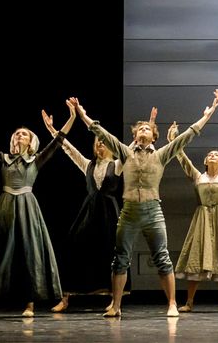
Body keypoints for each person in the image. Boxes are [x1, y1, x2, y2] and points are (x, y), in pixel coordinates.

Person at [76, 95, 218, 317]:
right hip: (129, 211)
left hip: (153, 210)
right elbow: (100, 132)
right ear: (134, 135)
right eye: (140, 128)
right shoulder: (125, 151)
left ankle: (172, 303)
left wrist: (207, 116)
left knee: (162, 257)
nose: (143, 129)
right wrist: (83, 114)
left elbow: (187, 136)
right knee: (121, 258)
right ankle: (116, 306)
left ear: (153, 135)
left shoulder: (161, 155)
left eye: (147, 128)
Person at [0, 99, 73, 318]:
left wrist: (72, 117)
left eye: (24, 134)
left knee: (28, 254)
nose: (18, 136)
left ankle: (29, 304)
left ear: (31, 141)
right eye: (16, 134)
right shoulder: (2, 159)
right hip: (4, 208)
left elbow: (58, 141)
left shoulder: (36, 161)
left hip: (27, 209)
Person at [41, 109, 125, 312]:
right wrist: (53, 130)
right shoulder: (87, 164)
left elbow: (130, 150)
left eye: (103, 141)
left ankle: (115, 300)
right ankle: (65, 297)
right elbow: (69, 149)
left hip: (109, 213)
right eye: (97, 141)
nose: (100, 144)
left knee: (111, 252)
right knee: (72, 248)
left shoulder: (118, 164)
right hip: (89, 211)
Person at [166, 120, 218, 312]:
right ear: (205, 161)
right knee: (197, 258)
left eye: (216, 155)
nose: (212, 156)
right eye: (209, 155)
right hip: (202, 219)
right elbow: (181, 156)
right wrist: (172, 139)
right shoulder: (198, 176)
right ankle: (189, 302)